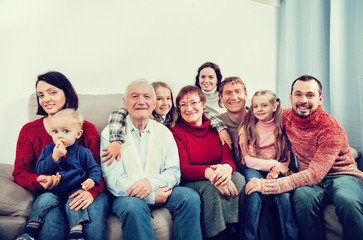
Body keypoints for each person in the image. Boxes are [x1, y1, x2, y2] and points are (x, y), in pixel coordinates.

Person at [245, 75, 363, 240]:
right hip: (309, 178)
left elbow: (315, 173)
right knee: (302, 197)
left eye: (310, 95)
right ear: (290, 97)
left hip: (340, 175)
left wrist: (267, 185)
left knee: (347, 200)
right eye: (298, 94)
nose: (303, 100)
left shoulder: (331, 129)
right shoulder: (285, 118)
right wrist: (220, 127)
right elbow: (258, 111)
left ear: (320, 99)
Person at [100, 79, 203, 240]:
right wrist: (151, 196)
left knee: (189, 197)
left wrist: (151, 183)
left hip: (159, 188)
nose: (141, 101)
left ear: (154, 103)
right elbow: (113, 180)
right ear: (125, 102)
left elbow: (174, 172)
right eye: (135, 96)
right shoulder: (110, 134)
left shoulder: (165, 132)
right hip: (125, 197)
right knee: (133, 206)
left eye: (147, 97)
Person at [12, 71, 109, 240]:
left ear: (66, 93)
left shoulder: (87, 130)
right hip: (53, 191)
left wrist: (91, 192)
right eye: (40, 95)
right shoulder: (29, 131)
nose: (46, 99)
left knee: (90, 218)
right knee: (52, 222)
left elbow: (97, 169)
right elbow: (20, 172)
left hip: (82, 188)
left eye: (52, 92)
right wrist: (41, 181)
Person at [170, 85, 245, 239]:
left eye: (193, 103)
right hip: (193, 180)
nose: (188, 108)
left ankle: (236, 230)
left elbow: (227, 157)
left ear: (203, 103)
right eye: (183, 105)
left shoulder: (217, 128)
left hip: (215, 174)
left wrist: (226, 168)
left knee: (238, 178)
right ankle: (218, 235)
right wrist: (210, 174)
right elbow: (183, 168)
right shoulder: (176, 132)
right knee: (211, 189)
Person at [17, 109, 102, 240]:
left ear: (78, 134)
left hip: (75, 188)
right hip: (55, 190)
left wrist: (93, 179)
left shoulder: (83, 152)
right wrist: (54, 157)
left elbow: (94, 168)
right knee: (42, 200)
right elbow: (39, 170)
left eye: (66, 131)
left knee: (75, 203)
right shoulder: (48, 150)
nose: (60, 136)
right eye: (55, 132)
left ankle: (76, 234)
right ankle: (30, 232)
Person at [102, 81, 231, 165]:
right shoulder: (145, 116)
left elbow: (201, 112)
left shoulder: (174, 114)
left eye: (168, 98)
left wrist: (221, 128)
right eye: (159, 99)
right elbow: (118, 113)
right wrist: (116, 141)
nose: (165, 103)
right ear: (151, 101)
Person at [238, 90, 299, 240]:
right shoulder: (248, 128)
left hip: (278, 168)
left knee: (283, 197)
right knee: (253, 192)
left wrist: (277, 170)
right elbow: (249, 160)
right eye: (255, 106)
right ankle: (248, 237)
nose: (259, 109)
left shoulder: (283, 127)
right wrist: (274, 165)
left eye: (264, 105)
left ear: (274, 107)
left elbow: (287, 157)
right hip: (254, 167)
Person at [218, 76, 248, 167]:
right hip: (232, 174)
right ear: (221, 98)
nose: (234, 97)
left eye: (238, 92)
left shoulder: (259, 117)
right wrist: (220, 128)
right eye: (228, 93)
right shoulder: (218, 122)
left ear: (246, 95)